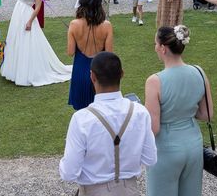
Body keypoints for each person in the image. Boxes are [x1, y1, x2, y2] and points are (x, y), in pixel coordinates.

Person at [60, 52, 157, 195]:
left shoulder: (81, 119)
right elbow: (150, 158)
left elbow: (69, 172)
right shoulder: (140, 112)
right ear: (122, 74)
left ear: (92, 76)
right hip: (128, 189)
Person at [145, 26, 213, 196]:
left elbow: (153, 128)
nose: (155, 47)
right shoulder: (199, 72)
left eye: (156, 43)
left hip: (166, 148)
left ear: (163, 48)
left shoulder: (155, 81)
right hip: (193, 144)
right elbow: (207, 114)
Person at [1, 0, 72, 86]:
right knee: (16, 39)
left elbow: (38, 7)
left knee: (27, 40)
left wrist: (29, 21)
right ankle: (15, 69)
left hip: (27, 14)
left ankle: (29, 71)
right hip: (17, 14)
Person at [67, 0, 114, 110]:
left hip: (80, 70)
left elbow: (70, 52)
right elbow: (109, 54)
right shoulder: (107, 26)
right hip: (99, 70)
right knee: (101, 110)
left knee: (81, 111)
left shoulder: (74, 24)